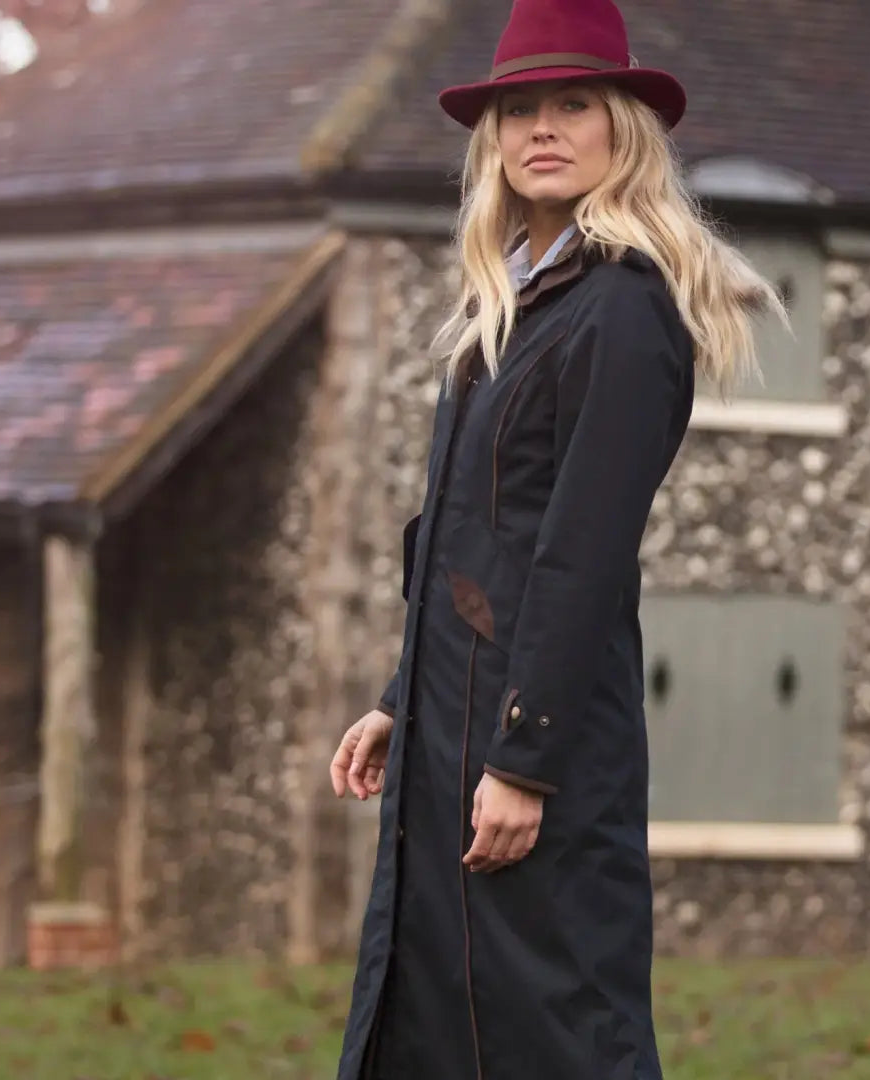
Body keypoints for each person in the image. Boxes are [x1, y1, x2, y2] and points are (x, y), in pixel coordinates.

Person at [329, 1, 787, 1078]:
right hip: (456, 723)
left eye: (573, 104)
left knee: (556, 1025)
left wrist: (524, 761)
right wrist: (406, 695)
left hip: (538, 743)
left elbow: (580, 553)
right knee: (441, 1016)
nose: (543, 127)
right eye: (519, 109)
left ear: (621, 128)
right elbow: (470, 537)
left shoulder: (623, 312)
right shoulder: (515, 305)